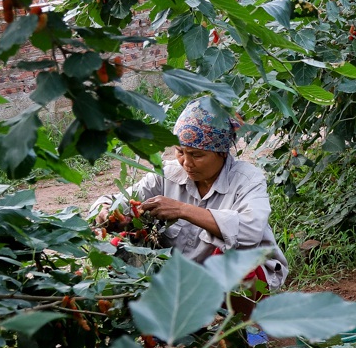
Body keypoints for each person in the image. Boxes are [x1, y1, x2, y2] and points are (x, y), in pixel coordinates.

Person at [96, 99, 288, 293]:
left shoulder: (247, 180)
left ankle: (242, 320)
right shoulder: (165, 175)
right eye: (180, 152)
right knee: (121, 240)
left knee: (232, 263)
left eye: (197, 155)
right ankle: (139, 308)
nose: (186, 163)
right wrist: (108, 212)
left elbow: (249, 232)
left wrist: (182, 210)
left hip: (238, 278)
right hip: (182, 278)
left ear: (221, 152)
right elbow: (113, 201)